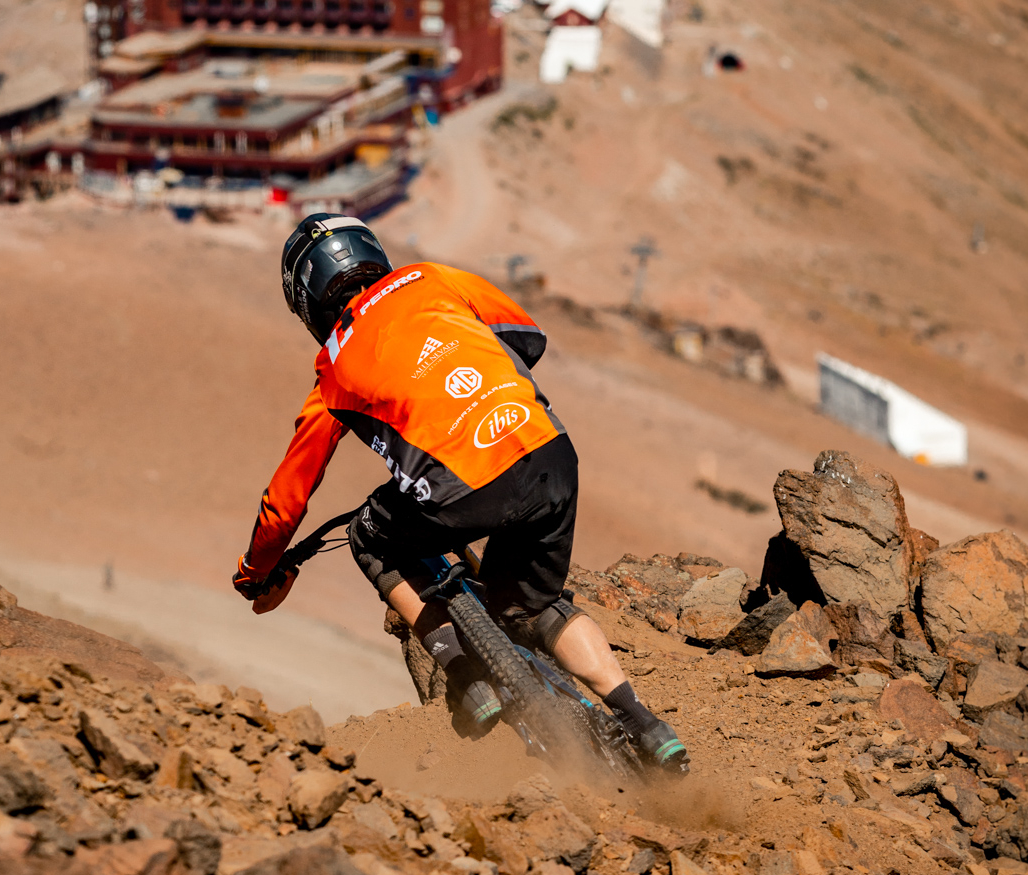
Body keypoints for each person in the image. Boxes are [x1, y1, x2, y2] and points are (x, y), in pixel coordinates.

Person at [233, 213, 688, 773]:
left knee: (370, 537)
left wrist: (256, 572)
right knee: (535, 606)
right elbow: (527, 336)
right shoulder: (432, 278)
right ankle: (646, 723)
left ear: (308, 301)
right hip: (549, 453)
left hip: (460, 487)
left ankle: (467, 680)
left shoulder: (332, 369)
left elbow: (287, 498)